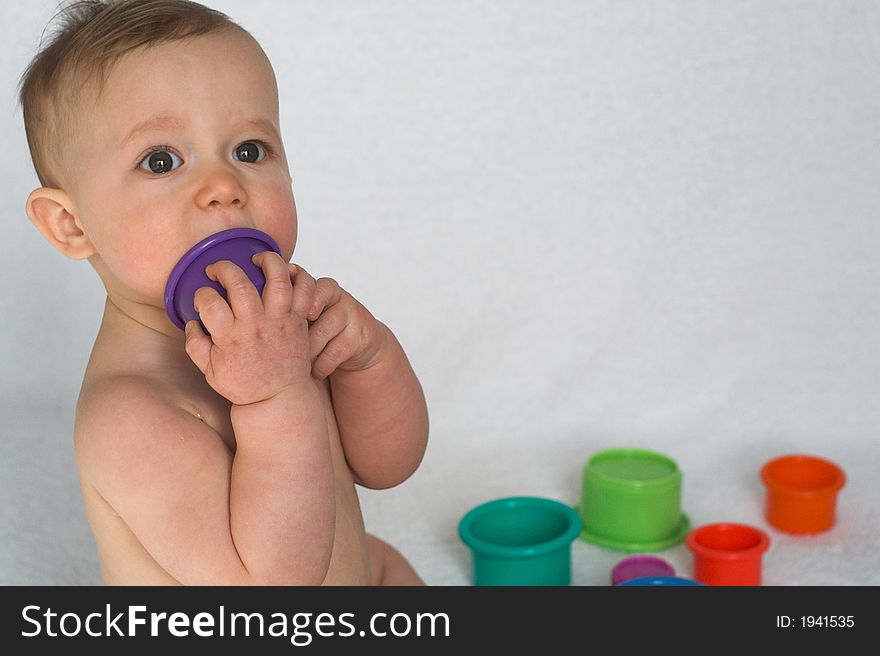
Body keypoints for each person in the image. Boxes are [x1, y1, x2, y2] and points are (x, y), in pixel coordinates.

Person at [18, 0, 428, 585]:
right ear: (72, 225)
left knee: (385, 564)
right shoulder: (129, 414)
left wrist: (369, 359)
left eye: (249, 150)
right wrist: (275, 398)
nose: (223, 186)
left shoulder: (275, 325)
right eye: (162, 160)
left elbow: (389, 466)